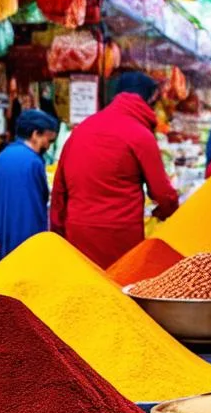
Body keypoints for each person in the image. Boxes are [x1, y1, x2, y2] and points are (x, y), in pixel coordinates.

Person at [50, 71, 179, 269]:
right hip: (119, 236)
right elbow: (163, 194)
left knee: (83, 292)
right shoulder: (140, 135)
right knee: (118, 293)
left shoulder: (82, 129)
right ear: (150, 99)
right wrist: (164, 212)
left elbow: (59, 189)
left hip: (77, 233)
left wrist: (59, 230)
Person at [0, 109, 58, 259]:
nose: (48, 146)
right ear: (35, 134)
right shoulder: (33, 162)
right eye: (48, 140)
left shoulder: (2, 158)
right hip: (26, 243)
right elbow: (37, 207)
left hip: (0, 240)